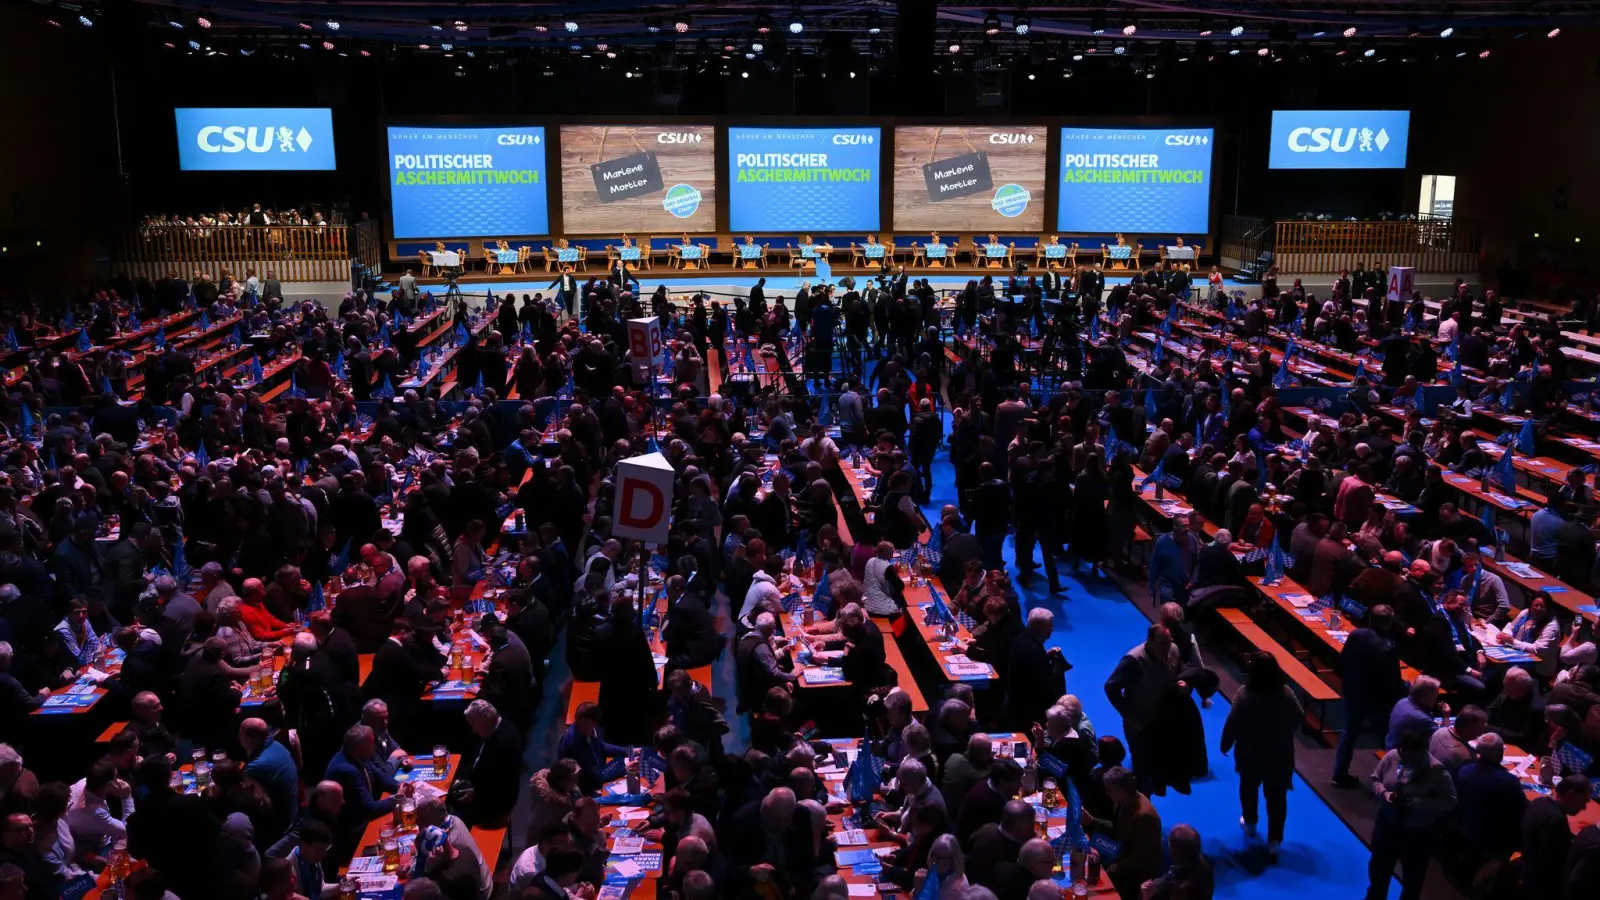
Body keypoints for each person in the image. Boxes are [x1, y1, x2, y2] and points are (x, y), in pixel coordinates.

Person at [1220, 654, 1303, 860]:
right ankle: (1275, 840)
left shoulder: (1244, 695)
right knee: (1277, 797)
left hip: (1250, 752)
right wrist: (1284, 733)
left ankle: (1250, 822)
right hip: (1279, 753)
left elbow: (1233, 723)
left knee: (1248, 787)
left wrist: (1225, 743)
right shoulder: (1286, 693)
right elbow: (1298, 716)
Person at [1364, 726, 1458, 900]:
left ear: (1421, 751)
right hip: (1388, 825)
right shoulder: (1393, 756)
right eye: (1402, 753)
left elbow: (1450, 801)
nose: (1404, 758)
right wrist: (1385, 794)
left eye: (1410, 755)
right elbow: (1375, 778)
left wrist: (1422, 803)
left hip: (1418, 833)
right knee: (1378, 872)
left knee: (1412, 881)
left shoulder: (1437, 772)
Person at [1103, 625, 1179, 795]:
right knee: (1142, 766)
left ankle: (1156, 787)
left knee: (1160, 760)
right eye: (1162, 644)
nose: (1167, 648)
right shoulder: (1133, 661)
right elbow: (1111, 686)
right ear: (1150, 641)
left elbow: (1182, 668)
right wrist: (1127, 715)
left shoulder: (1173, 649)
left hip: (1163, 719)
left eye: (1169, 643)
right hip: (1139, 723)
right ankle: (1141, 801)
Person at [1083, 767, 1162, 900]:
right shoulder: (1122, 802)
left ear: (1122, 791)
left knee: (1096, 884)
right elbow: (1118, 829)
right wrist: (1092, 821)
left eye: (1109, 789)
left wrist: (1110, 870)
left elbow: (1138, 859)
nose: (1107, 793)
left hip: (1139, 872)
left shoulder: (1145, 817)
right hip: (1122, 853)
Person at [1454, 733, 1528, 867]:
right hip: (1493, 836)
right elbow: (1521, 811)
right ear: (1501, 753)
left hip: (1466, 823)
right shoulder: (1508, 782)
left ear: (1479, 751)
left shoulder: (1464, 770)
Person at [449, 700, 522, 829]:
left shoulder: (505, 743)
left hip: (496, 801)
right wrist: (461, 778)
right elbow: (475, 757)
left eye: (474, 725)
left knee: (454, 821)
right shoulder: (491, 728)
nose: (473, 730)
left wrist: (476, 793)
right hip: (481, 785)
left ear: (484, 722)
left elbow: (503, 785)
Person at [1521, 775, 1594, 900]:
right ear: (1571, 795)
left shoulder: (1538, 802)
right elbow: (1552, 864)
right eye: (1583, 802)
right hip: (1538, 886)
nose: (1584, 808)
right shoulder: (1555, 820)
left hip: (1525, 868)